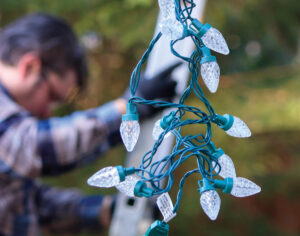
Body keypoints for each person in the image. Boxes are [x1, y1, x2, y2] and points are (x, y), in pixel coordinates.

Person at [0, 13, 178, 236]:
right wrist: (127, 109)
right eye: (52, 96)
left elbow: (28, 206)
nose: (47, 113)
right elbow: (31, 145)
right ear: (31, 67)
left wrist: (108, 210)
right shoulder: (13, 137)